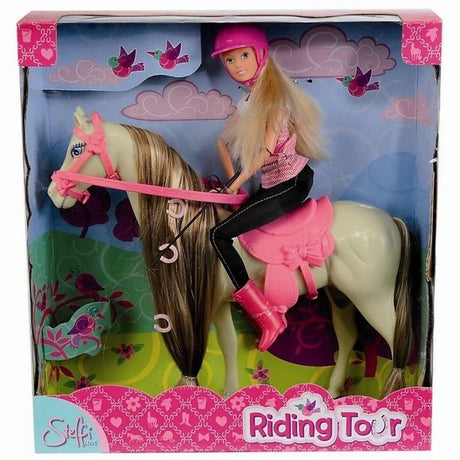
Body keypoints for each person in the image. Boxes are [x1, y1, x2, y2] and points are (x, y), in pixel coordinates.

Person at [210, 24, 324, 351]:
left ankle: (266, 317)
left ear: (260, 55)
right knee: (231, 232)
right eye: (229, 60)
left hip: (291, 182)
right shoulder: (247, 101)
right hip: (271, 182)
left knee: (218, 235)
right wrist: (233, 185)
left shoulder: (275, 98)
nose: (237, 65)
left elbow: (265, 152)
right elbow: (222, 142)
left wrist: (234, 184)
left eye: (243, 56)